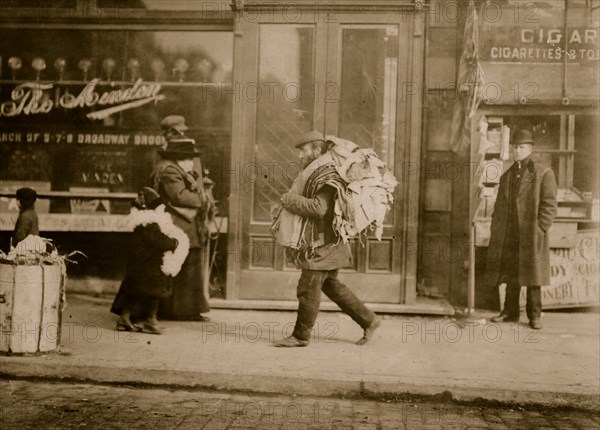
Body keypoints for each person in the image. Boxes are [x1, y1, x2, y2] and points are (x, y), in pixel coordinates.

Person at [273, 131, 380, 347]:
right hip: (329, 243)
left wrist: (289, 199)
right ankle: (369, 319)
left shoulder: (327, 174)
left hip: (323, 245)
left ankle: (300, 336)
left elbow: (318, 208)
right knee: (331, 285)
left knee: (308, 288)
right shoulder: (320, 171)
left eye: (304, 150)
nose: (300, 155)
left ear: (318, 150)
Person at [487, 129, 557, 330]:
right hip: (509, 234)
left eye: (521, 147)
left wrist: (539, 229)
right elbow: (500, 207)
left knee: (533, 277)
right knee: (510, 273)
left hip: (530, 234)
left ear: (530, 149)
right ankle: (510, 312)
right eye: (515, 147)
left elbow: (550, 206)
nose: (517, 150)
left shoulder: (543, 173)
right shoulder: (507, 175)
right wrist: (497, 230)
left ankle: (535, 316)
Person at [151, 128, 212, 321]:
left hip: (185, 225)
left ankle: (186, 310)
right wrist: (202, 197)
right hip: (178, 225)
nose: (189, 162)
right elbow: (179, 196)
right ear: (176, 158)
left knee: (188, 267)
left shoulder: (178, 170)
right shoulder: (170, 170)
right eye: (186, 158)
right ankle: (180, 311)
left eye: (190, 159)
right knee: (181, 267)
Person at [110, 187, 189, 334]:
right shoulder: (149, 222)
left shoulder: (140, 220)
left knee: (135, 291)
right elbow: (158, 241)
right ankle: (150, 321)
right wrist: (174, 242)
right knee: (154, 293)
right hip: (150, 265)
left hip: (140, 263)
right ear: (153, 207)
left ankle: (124, 319)